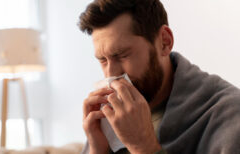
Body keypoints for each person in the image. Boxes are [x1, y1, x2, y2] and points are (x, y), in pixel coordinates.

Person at [78, 0, 240, 154]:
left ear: (165, 42)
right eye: (103, 60)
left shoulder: (229, 115)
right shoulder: (107, 120)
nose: (111, 75)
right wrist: (97, 149)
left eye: (122, 55)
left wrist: (143, 146)